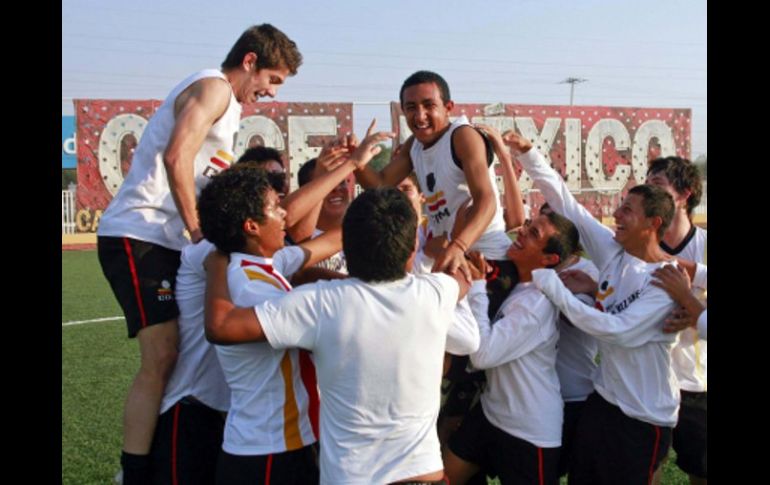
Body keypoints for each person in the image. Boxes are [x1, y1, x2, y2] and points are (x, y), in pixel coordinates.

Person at [95, 24, 302, 484]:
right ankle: (133, 470)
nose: (269, 93)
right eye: (272, 80)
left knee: (182, 351)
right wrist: (196, 229)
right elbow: (176, 155)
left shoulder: (228, 110)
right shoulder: (214, 88)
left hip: (162, 238)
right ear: (250, 61)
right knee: (163, 355)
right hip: (139, 231)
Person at [205, 187, 478, 484]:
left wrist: (218, 263)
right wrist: (458, 251)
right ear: (412, 248)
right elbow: (461, 280)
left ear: (345, 248)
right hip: (424, 475)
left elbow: (222, 327)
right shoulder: (435, 292)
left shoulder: (320, 304)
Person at [504, 129, 680, 485]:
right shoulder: (615, 251)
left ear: (653, 223)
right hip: (604, 400)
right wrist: (528, 154)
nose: (616, 214)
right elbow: (568, 205)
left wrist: (552, 285)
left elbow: (617, 331)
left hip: (644, 415)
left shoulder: (665, 280)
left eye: (627, 211)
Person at [444, 211, 580, 485]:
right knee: (445, 478)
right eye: (528, 225)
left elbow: (482, 355)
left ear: (549, 259)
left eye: (534, 234)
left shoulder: (537, 304)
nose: (522, 231)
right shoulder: (520, 284)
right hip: (491, 412)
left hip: (528, 432)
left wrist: (479, 287)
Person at [646, 156, 707, 484]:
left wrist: (694, 313)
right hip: (649, 380)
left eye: (657, 184)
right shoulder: (640, 246)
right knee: (647, 467)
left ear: (684, 194)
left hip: (695, 383)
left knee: (700, 470)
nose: (647, 190)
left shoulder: (704, 247)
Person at [539, 204, 601, 478]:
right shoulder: (534, 267)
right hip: (537, 395)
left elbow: (579, 322)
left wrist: (549, 289)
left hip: (576, 393)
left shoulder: (589, 272)